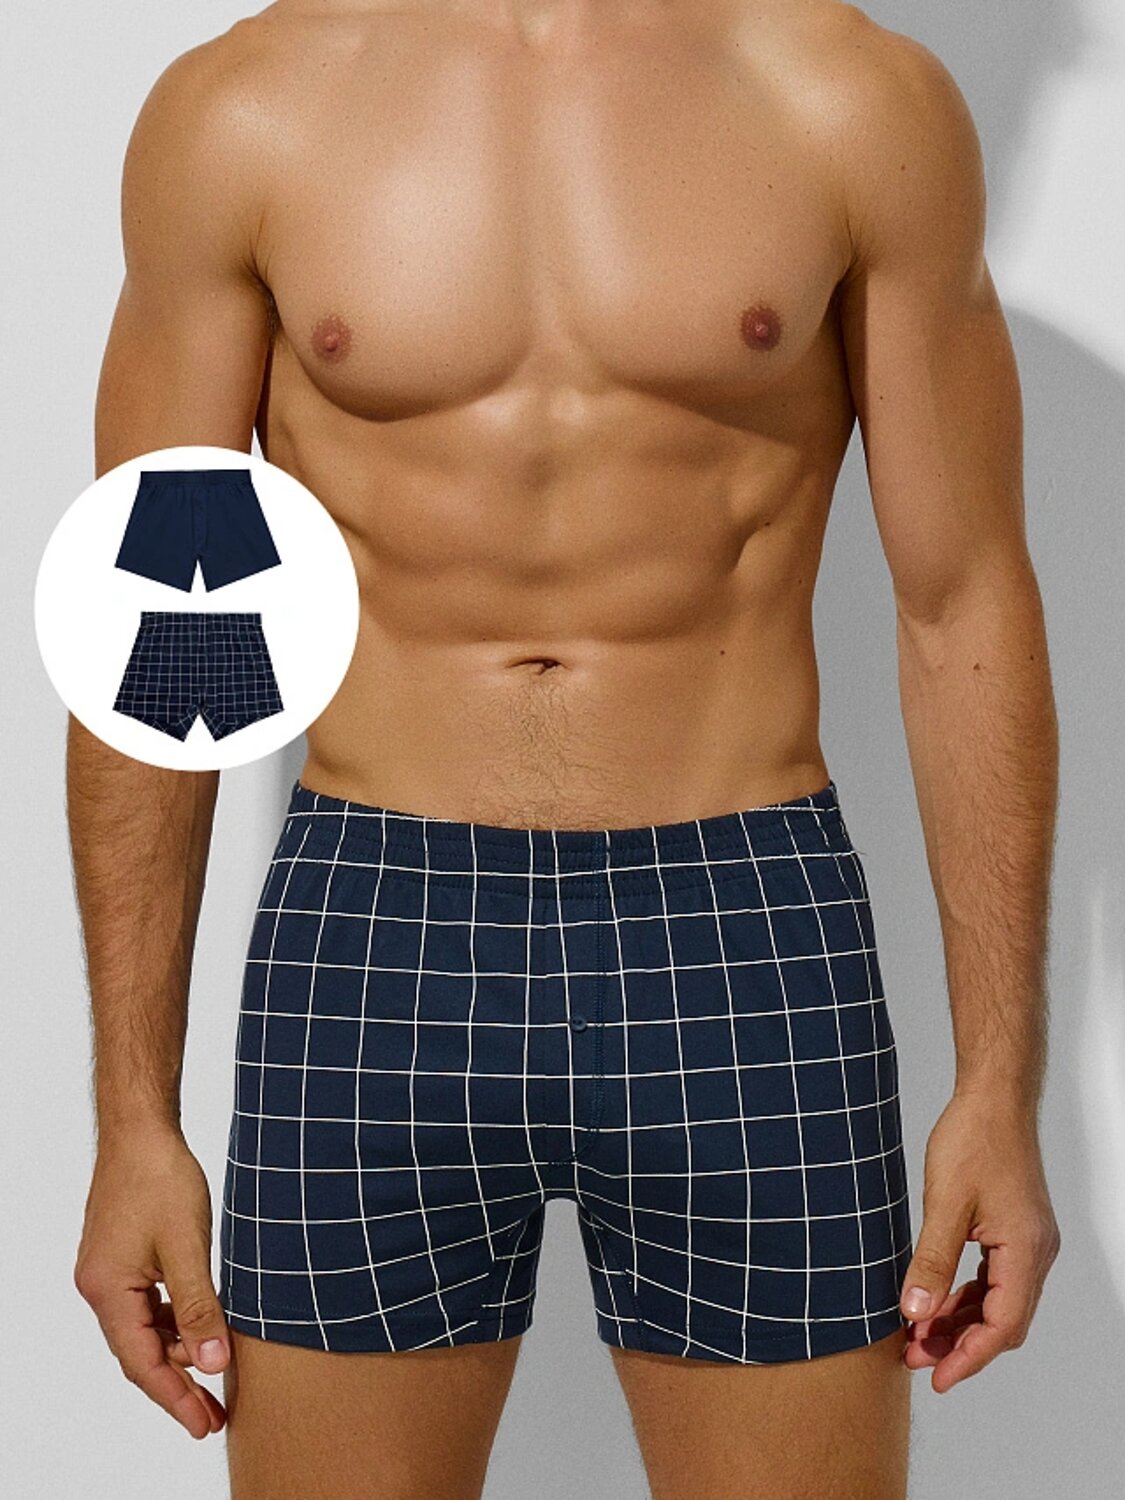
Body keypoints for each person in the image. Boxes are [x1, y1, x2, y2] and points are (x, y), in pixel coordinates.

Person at [68, 2, 1061, 1496]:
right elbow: (164, 637)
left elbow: (959, 603)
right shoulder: (246, 110)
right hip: (373, 930)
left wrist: (1000, 1084)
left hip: (742, 927)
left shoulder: (850, 99)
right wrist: (131, 1119)